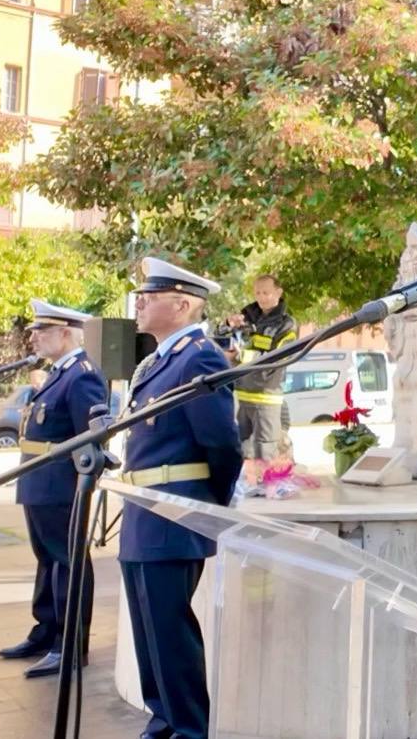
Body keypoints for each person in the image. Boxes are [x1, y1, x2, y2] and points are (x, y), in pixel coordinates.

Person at [119, 257, 243, 739]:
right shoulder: (161, 360)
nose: (140, 301)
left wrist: (205, 507)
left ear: (184, 303)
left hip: (173, 515)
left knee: (171, 635)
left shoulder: (199, 357)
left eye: (150, 294)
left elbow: (222, 445)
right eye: (140, 294)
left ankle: (188, 731)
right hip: (143, 513)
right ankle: (163, 723)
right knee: (151, 635)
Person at [0, 301, 107, 678]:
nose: (33, 337)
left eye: (41, 331)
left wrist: (81, 487)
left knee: (68, 562)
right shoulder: (59, 374)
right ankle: (46, 631)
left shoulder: (82, 376)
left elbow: (90, 440)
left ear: (65, 333)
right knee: (48, 561)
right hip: (39, 482)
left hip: (61, 486)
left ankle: (70, 645)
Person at [225, 274, 298, 462]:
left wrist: (240, 356)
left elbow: (276, 360)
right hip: (241, 395)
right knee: (240, 450)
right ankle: (247, 487)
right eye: (258, 292)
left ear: (278, 292)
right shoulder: (247, 318)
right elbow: (222, 341)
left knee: (265, 451)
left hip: (266, 398)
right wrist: (228, 325)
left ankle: (266, 489)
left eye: (266, 292)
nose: (261, 297)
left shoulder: (287, 325)